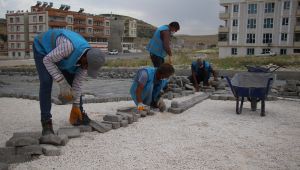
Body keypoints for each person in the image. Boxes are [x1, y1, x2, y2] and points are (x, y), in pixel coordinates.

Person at [33, 29, 105, 135]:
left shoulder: (87, 61)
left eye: (88, 68)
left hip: (60, 54)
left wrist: (76, 105)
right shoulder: (68, 47)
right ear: (85, 57)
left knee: (74, 79)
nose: (86, 68)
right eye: (86, 65)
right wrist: (61, 81)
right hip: (43, 48)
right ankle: (46, 122)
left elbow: (78, 84)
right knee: (46, 82)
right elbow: (47, 60)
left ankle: (77, 115)